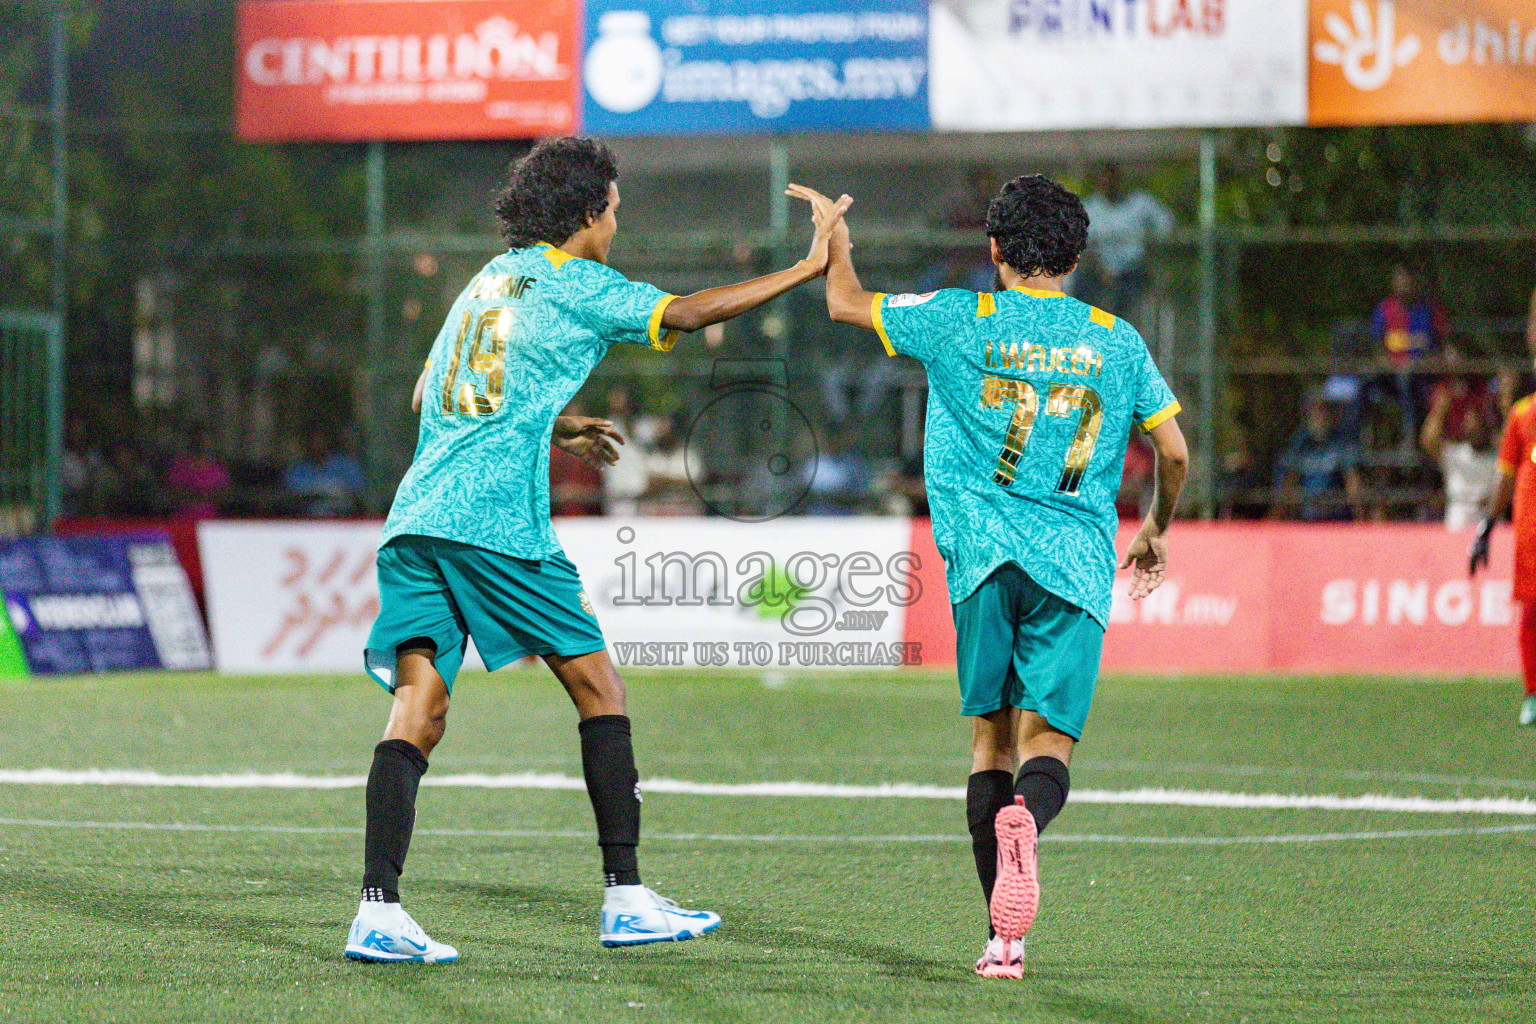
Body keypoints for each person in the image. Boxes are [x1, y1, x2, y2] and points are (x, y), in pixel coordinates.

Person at [347, 136, 850, 963]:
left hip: (417, 519)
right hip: (495, 527)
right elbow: (688, 314)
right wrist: (807, 266)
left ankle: (377, 910)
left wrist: (554, 422)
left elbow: (428, 392)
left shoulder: (486, 281)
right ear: (588, 214)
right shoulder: (579, 283)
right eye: (614, 209)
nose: (617, 223)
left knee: (419, 708)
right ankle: (625, 897)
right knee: (598, 686)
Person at [803, 174, 1187, 978]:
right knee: (1050, 746)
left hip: (982, 560)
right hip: (1075, 568)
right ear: (1076, 256)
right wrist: (1153, 529)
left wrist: (834, 237)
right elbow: (1176, 452)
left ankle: (1001, 943)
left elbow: (845, 302)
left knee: (990, 741)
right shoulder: (1117, 340)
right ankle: (1030, 825)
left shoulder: (958, 315)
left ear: (994, 251)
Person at [1469, 390, 1536, 728]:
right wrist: (1486, 527)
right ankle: (1533, 694)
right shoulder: (1523, 413)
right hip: (1532, 531)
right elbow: (1506, 475)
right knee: (1532, 611)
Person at [1074, 164, 1173, 319]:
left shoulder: (1139, 202)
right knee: (1081, 284)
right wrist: (1103, 271)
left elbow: (1165, 224)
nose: (1109, 185)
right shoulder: (1089, 208)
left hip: (1133, 269)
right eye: (1104, 181)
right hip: (1099, 271)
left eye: (1113, 180)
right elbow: (1083, 246)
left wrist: (1151, 244)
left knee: (1127, 293)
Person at [1420, 378, 1498, 530]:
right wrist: (1439, 410)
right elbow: (1428, 440)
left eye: (1476, 420)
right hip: (1458, 523)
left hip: (1489, 523)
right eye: (1468, 422)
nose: (1473, 426)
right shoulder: (1455, 453)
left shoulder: (1496, 456)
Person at [1272, 397, 1363, 522]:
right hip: (1307, 515)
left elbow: (1352, 482)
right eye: (1314, 412)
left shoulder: (1342, 443)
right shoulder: (1299, 443)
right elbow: (1289, 482)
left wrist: (1359, 519)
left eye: (1323, 412)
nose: (1319, 417)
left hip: (1336, 515)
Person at [283, 427, 365, 517]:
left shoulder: (345, 464)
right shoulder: (299, 469)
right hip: (308, 520)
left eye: (321, 440)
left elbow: (357, 491)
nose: (317, 444)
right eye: (313, 441)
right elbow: (293, 493)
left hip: (342, 517)